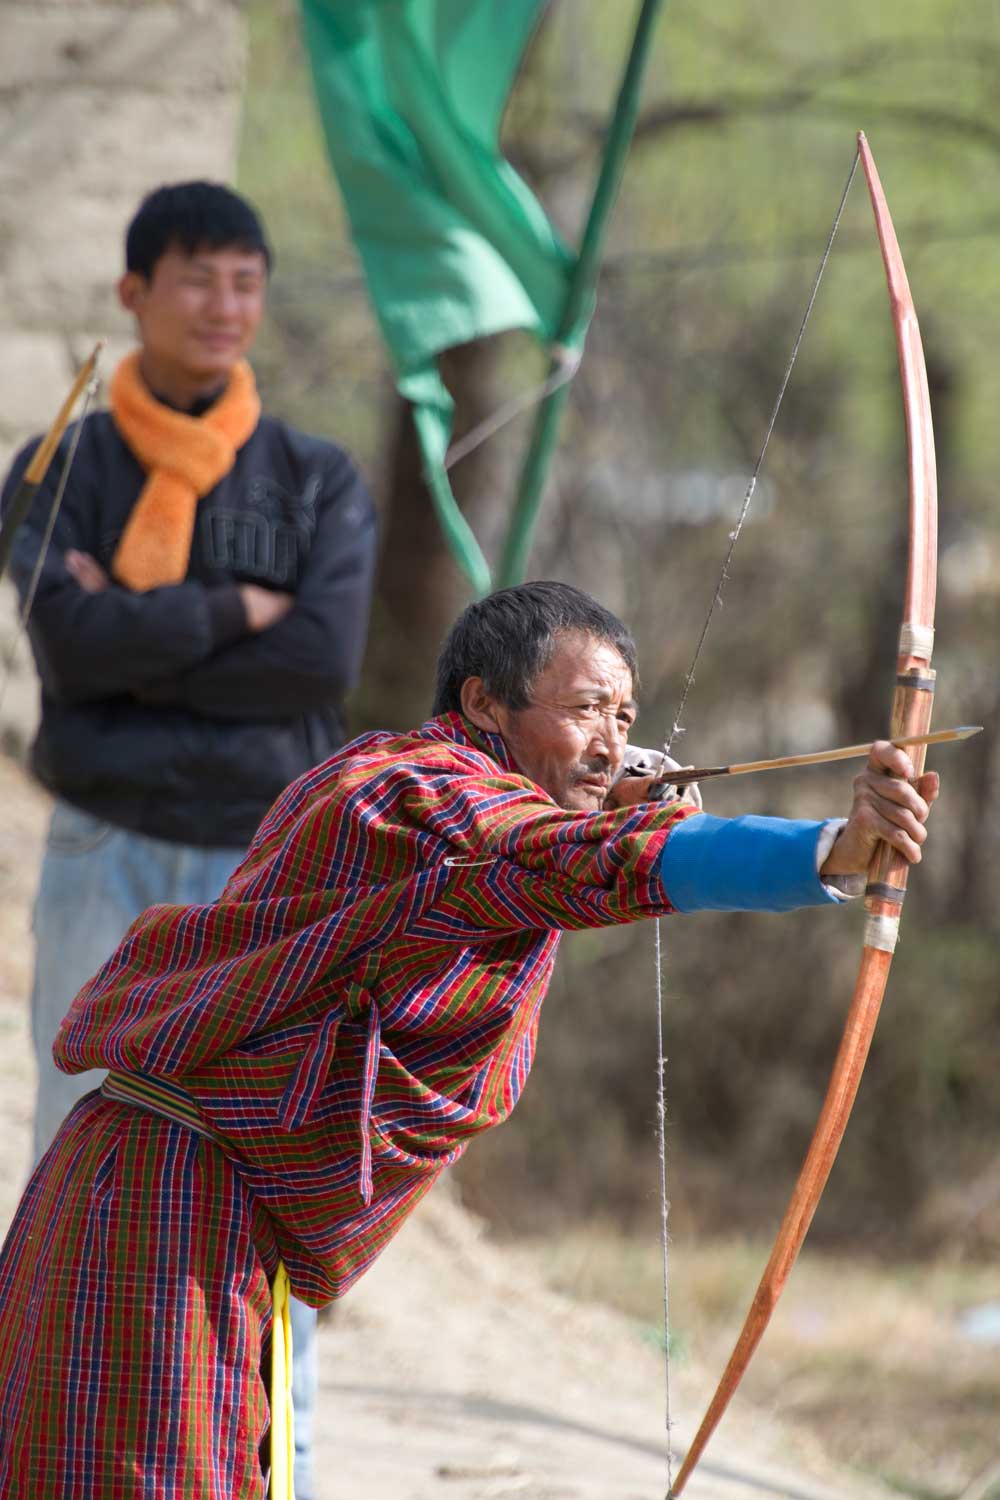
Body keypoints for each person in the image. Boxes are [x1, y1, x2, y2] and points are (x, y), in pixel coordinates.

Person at [0, 582, 937, 1498]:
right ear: (482, 702)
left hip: (190, 1198)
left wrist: (609, 802)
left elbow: (547, 855)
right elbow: (554, 859)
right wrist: (826, 849)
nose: (611, 744)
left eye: (625, 716)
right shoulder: (413, 792)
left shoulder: (448, 799)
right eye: (583, 710)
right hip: (165, 1202)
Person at [0, 181, 377, 1500]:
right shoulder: (58, 468)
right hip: (105, 851)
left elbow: (318, 662)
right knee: (74, 1146)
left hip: (265, 875)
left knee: (276, 1164)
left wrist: (144, 638)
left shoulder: (317, 478)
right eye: (197, 279)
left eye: (246, 281)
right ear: (133, 295)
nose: (225, 307)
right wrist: (236, 613)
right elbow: (64, 643)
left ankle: (281, 1459)